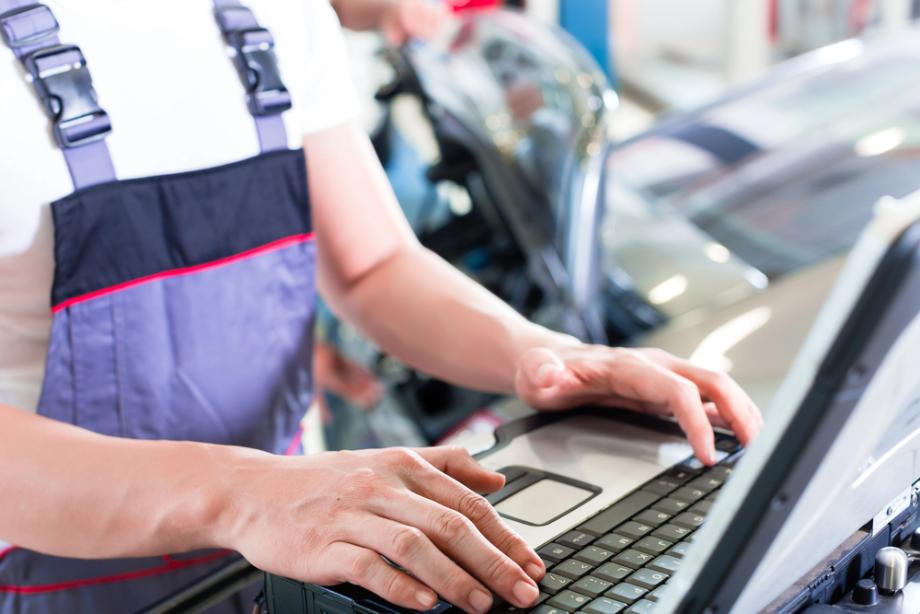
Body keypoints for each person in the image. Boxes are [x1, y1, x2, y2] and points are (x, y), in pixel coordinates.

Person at [0, 1, 762, 613]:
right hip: (56, 583)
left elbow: (373, 267)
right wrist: (240, 495)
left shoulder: (273, 17)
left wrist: (542, 354)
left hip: (297, 558)